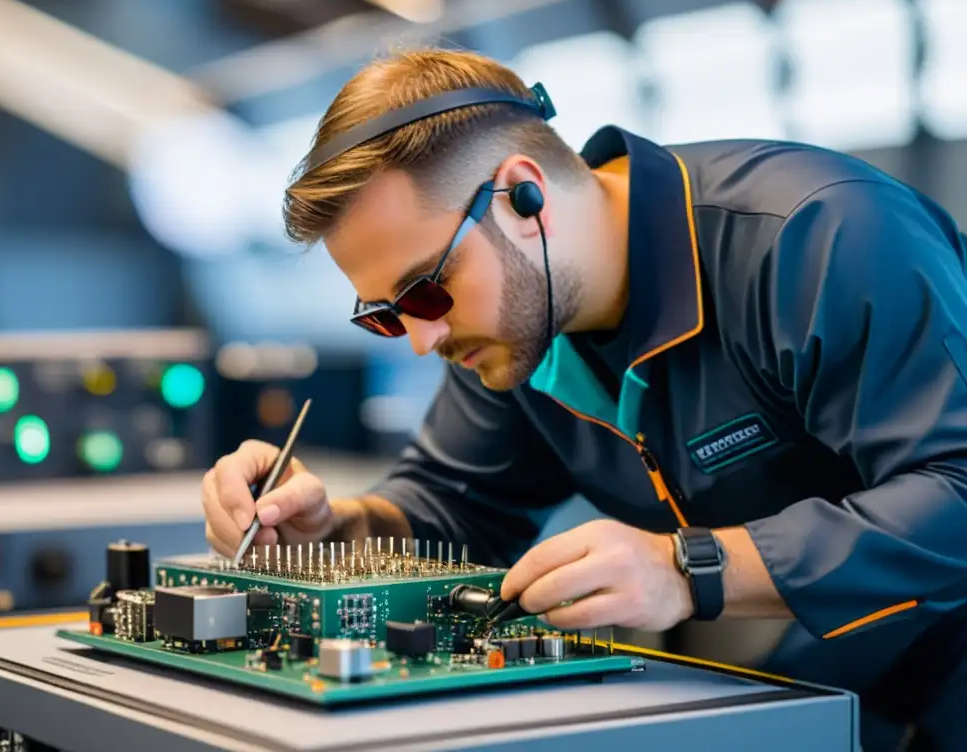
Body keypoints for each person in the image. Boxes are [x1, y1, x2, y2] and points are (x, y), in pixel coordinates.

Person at [202, 47, 967, 749]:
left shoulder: (820, 233)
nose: (420, 342)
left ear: (522, 197)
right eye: (384, 315)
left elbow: (956, 489)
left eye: (425, 293)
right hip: (844, 663)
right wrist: (335, 527)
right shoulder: (520, 330)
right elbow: (459, 503)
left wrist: (686, 569)